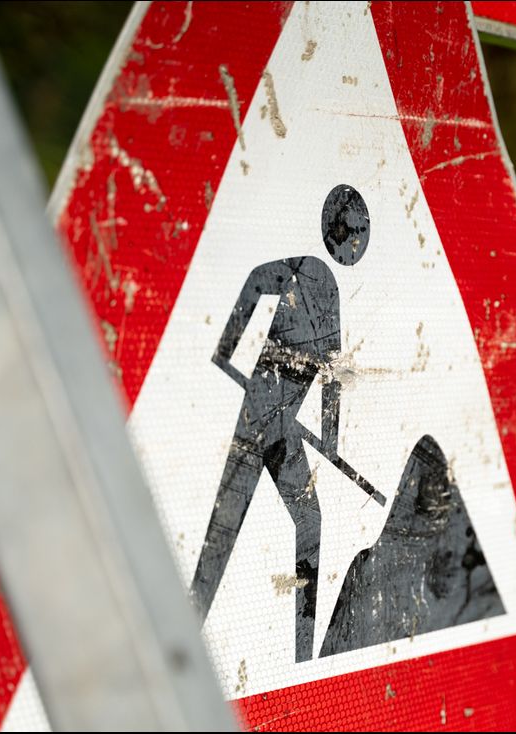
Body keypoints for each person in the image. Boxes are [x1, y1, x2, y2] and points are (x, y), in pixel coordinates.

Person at [191, 184, 370, 663]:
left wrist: (331, 445)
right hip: (261, 408)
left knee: (310, 521)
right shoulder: (310, 270)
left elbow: (331, 375)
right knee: (224, 527)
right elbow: (254, 279)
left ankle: (302, 659)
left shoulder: (331, 294)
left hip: (283, 420)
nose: (356, 241)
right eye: (352, 232)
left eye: (360, 233)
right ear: (338, 232)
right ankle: (185, 640)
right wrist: (227, 348)